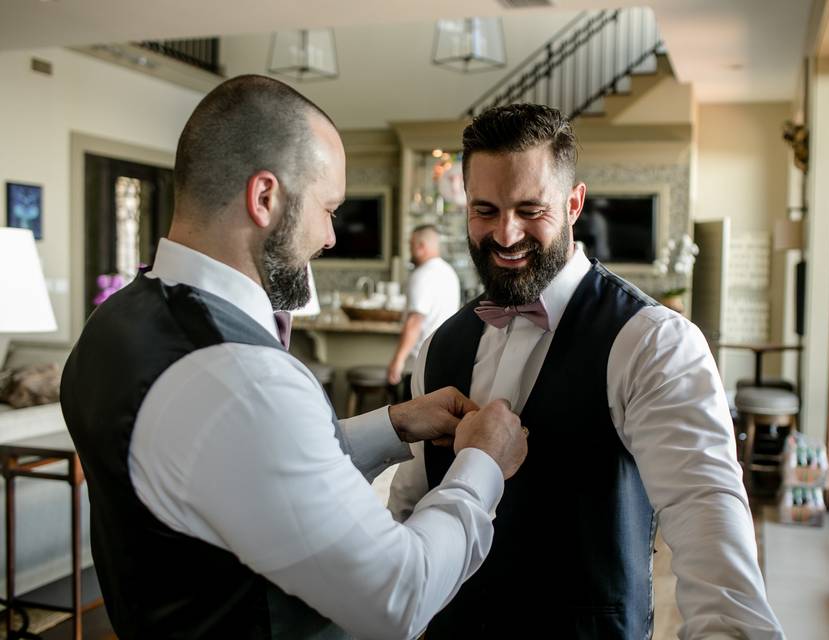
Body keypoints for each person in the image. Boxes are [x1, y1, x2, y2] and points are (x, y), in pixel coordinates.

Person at [60, 75, 528, 640]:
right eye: (328, 209)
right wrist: (481, 464)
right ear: (265, 199)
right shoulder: (242, 379)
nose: (330, 236)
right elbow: (400, 594)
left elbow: (246, 471)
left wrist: (394, 424)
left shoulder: (113, 322)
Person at [388, 104, 786, 639]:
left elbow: (705, 513)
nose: (505, 235)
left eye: (531, 209)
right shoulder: (438, 347)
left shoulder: (654, 343)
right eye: (485, 210)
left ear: (574, 203)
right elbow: (409, 507)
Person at [386, 224, 461, 392]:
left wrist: (398, 360)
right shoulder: (449, 273)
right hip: (443, 361)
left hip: (419, 364)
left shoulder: (422, 275)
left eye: (410, 245)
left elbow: (415, 321)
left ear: (421, 247)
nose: (409, 250)